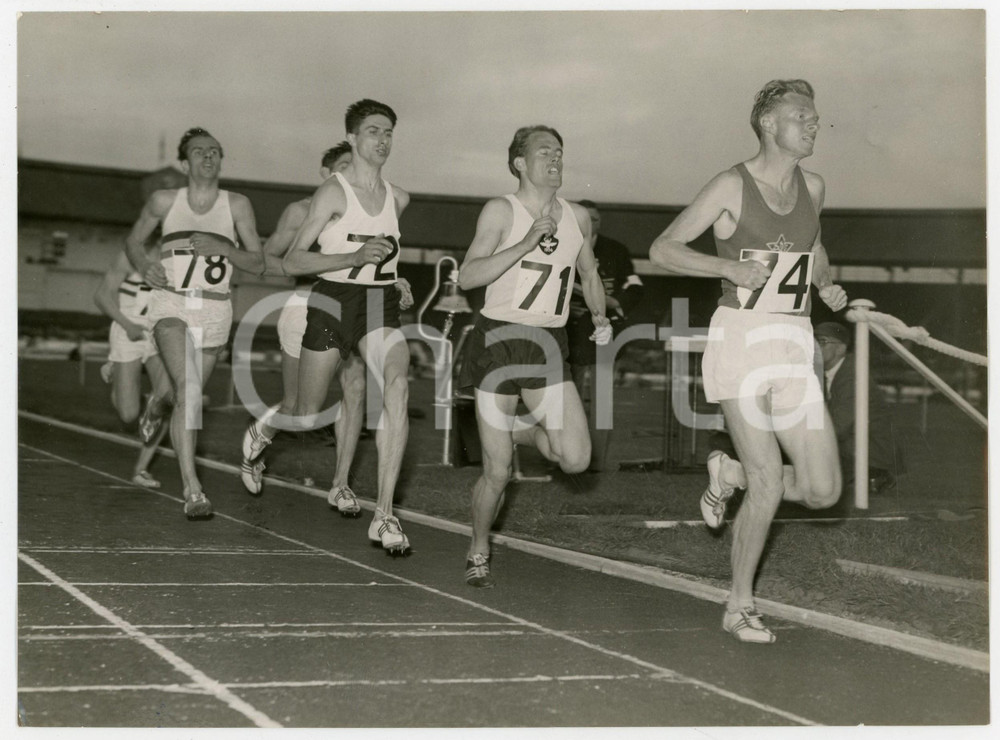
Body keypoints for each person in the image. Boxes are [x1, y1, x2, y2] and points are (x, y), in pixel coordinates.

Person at [649, 80, 848, 643]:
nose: (813, 125)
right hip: (741, 337)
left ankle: (727, 472)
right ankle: (739, 604)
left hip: (794, 341)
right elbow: (663, 248)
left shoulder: (814, 186)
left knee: (822, 491)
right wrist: (728, 269)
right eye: (801, 115)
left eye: (815, 116)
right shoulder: (730, 185)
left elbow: (812, 251)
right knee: (767, 483)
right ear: (767, 123)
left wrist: (827, 285)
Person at [458, 125, 611, 588]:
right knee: (498, 472)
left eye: (560, 152)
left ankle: (519, 431)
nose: (556, 158)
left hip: (548, 343)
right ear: (519, 163)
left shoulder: (577, 217)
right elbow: (467, 277)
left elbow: (588, 273)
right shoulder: (501, 210)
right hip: (498, 340)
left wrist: (601, 315)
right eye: (545, 151)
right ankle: (479, 546)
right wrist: (524, 244)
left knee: (577, 458)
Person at [240, 143, 414, 504]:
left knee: (355, 388)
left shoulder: (377, 206)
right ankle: (263, 431)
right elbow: (269, 261)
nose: (356, 173)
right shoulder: (301, 211)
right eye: (345, 166)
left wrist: (390, 279)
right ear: (327, 173)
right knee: (301, 410)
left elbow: (377, 262)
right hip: (307, 301)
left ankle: (340, 484)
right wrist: (333, 263)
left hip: (358, 306)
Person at [279, 99, 413, 554]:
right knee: (307, 412)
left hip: (378, 305)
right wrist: (352, 258)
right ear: (353, 139)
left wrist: (398, 278)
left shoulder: (398, 198)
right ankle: (263, 430)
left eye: (389, 132)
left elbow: (385, 256)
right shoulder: (332, 193)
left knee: (396, 386)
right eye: (373, 131)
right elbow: (291, 260)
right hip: (333, 301)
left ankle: (385, 515)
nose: (382, 140)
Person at [125, 127, 264, 519]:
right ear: (185, 163)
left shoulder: (237, 205)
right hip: (172, 304)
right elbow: (133, 242)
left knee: (176, 396)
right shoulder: (165, 200)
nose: (208, 157)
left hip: (216, 311)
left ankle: (156, 402)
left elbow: (258, 262)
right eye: (200, 152)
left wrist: (224, 247)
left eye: (215, 151)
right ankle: (193, 490)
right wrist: (145, 265)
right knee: (190, 393)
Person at [567, 199, 644, 471]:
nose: (590, 223)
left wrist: (614, 303)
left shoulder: (616, 250)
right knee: (568, 401)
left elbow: (635, 287)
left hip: (604, 333)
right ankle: (567, 457)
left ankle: (597, 462)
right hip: (567, 334)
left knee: (602, 402)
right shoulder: (560, 246)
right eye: (585, 218)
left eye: (595, 219)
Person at [94, 246, 173, 486]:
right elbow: (101, 296)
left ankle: (141, 470)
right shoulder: (129, 257)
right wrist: (127, 325)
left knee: (169, 397)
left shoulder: (179, 261)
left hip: (160, 333)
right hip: (128, 330)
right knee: (128, 414)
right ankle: (116, 371)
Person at [814, 321, 901, 495]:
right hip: (853, 442)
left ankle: (875, 475)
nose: (814, 347)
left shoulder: (852, 373)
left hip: (871, 449)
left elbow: (840, 425)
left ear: (841, 348)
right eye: (812, 341)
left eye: (822, 342)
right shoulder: (826, 371)